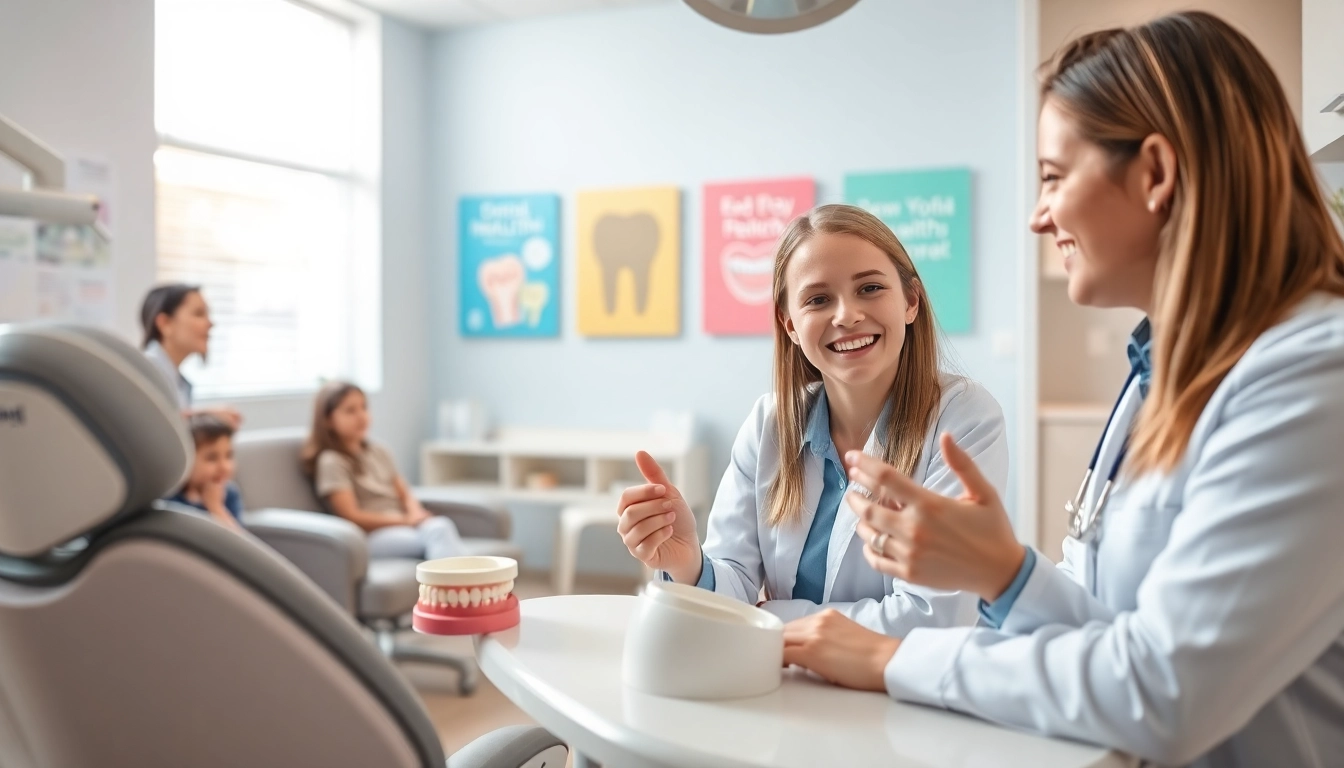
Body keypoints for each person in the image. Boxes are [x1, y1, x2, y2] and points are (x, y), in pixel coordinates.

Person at [781, 12, 1344, 767]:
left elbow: (1162, 689)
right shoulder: (1165, 374)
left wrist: (892, 661)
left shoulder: (1314, 375)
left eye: (1052, 177)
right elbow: (1117, 631)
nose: (1038, 216)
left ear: (1155, 174)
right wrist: (1004, 573)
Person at [618, 204, 1008, 633]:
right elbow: (733, 587)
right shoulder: (769, 424)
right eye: (818, 299)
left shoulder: (964, 418)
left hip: (901, 689)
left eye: (870, 288)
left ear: (911, 301)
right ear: (789, 325)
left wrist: (770, 620)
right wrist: (688, 561)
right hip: (783, 687)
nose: (847, 315)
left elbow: (935, 615)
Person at [302, 381, 465, 561]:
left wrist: (415, 513)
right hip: (371, 535)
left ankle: (465, 585)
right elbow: (351, 516)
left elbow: (403, 492)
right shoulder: (332, 461)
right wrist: (405, 521)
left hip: (403, 524)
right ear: (328, 420)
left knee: (441, 528)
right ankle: (458, 586)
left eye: (364, 408)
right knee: (440, 531)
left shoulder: (379, 451)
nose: (361, 416)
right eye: (350, 411)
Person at [138, 283, 242, 429]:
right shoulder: (146, 371)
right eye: (199, 314)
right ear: (165, 323)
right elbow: (153, 428)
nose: (210, 323)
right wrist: (208, 417)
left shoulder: (176, 380)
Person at [165, 413, 246, 534]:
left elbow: (241, 544)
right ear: (186, 459)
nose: (224, 466)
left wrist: (216, 508)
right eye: (212, 458)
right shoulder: (170, 501)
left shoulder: (229, 494)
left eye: (229, 456)